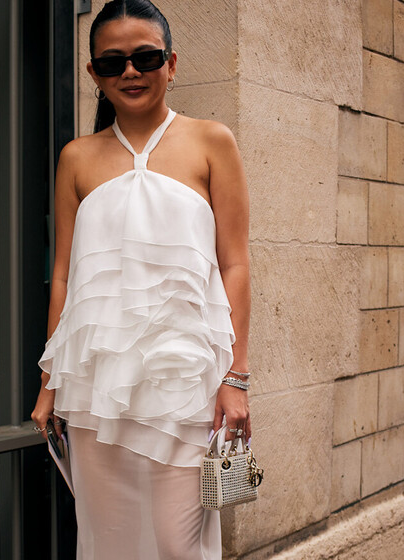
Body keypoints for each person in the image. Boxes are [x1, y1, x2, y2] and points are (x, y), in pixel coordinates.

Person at [31, 1, 251, 557]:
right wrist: (50, 381)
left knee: (180, 544)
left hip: (186, 382)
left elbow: (235, 265)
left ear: (171, 64)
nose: (130, 71)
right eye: (113, 62)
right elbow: (64, 277)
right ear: (94, 74)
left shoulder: (212, 141)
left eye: (146, 57)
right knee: (108, 539)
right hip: (95, 386)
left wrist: (236, 378)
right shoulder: (76, 158)